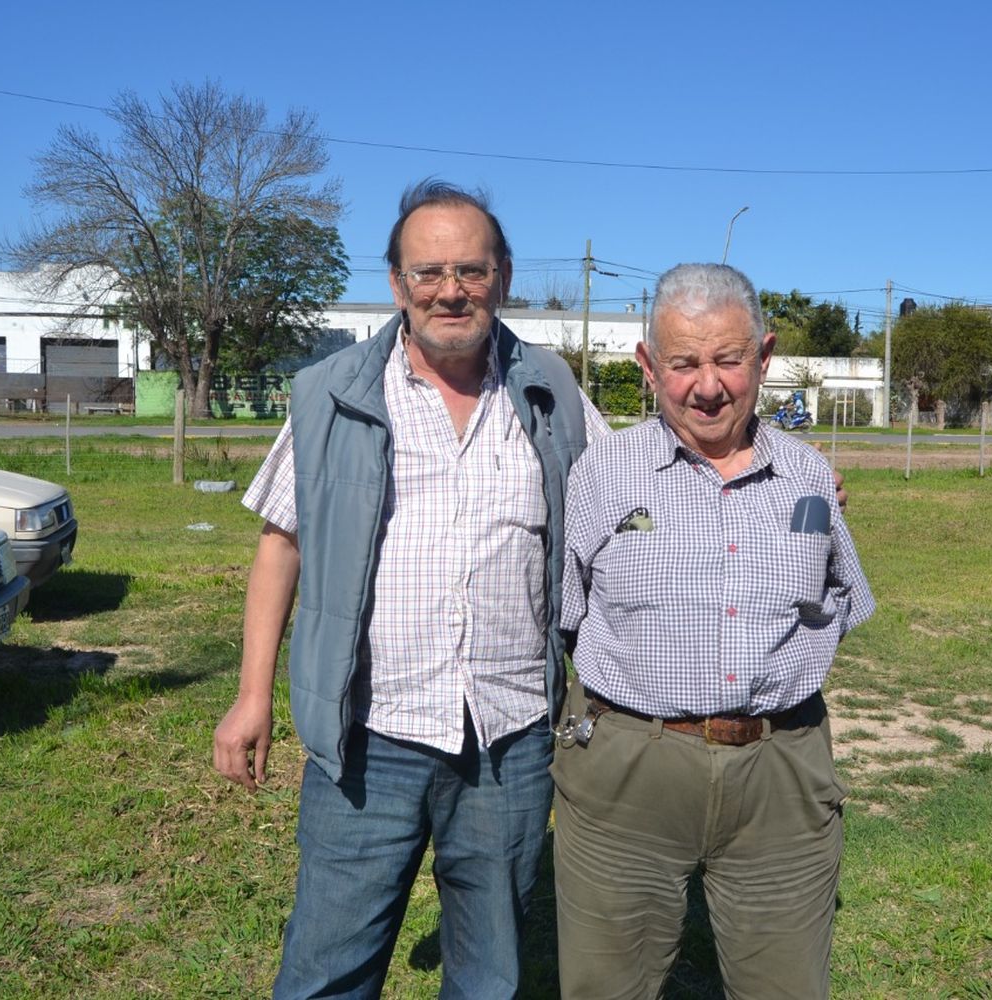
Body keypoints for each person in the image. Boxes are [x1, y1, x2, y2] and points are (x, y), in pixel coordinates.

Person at [212, 179, 608, 999]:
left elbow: (627, 489)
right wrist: (252, 696)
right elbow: (281, 543)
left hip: (510, 734)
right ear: (397, 284)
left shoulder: (550, 390)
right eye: (427, 272)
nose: (449, 290)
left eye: (470, 269)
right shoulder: (332, 394)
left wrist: (765, 469)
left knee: (491, 975)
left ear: (501, 276)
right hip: (371, 734)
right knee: (327, 968)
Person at [553, 262, 875, 999]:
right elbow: (564, 620)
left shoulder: (810, 479)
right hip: (627, 774)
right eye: (684, 362)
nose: (708, 385)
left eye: (729, 360)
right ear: (648, 367)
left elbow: (838, 603)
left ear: (762, 357)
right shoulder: (601, 476)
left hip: (782, 778)